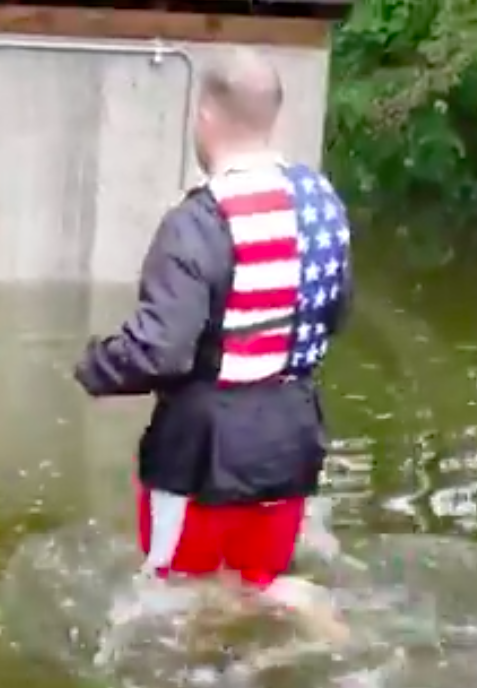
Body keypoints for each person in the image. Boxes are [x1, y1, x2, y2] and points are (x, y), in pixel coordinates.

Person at [72, 50, 352, 635]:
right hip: (293, 439)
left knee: (172, 600)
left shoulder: (197, 223)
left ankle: (292, 604)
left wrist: (94, 365)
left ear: (204, 116)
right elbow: (336, 312)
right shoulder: (322, 203)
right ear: (272, 115)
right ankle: (286, 616)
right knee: (243, 587)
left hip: (201, 454)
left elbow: (160, 350)